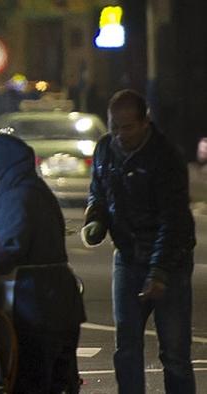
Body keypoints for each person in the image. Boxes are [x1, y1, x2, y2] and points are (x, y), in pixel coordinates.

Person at [81, 89, 196, 393]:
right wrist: (95, 219)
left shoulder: (164, 156)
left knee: (174, 353)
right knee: (126, 348)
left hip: (170, 263)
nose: (120, 135)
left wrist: (158, 271)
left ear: (145, 121)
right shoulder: (105, 149)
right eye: (114, 126)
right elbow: (99, 193)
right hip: (128, 258)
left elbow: (173, 221)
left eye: (127, 127)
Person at [0, 133, 85, 393]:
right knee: (60, 380)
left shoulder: (17, 196)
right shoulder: (35, 189)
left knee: (32, 381)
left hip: (36, 305)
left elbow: (6, 250)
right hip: (61, 302)